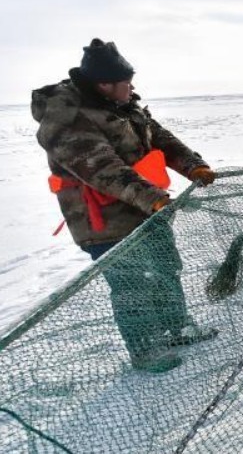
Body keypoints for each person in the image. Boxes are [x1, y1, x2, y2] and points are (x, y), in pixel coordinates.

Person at [31, 39, 218, 373]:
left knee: (165, 269)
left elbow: (158, 136)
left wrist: (192, 165)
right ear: (104, 84)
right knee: (134, 284)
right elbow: (102, 168)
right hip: (104, 220)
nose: (131, 88)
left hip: (146, 209)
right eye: (125, 82)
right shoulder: (68, 117)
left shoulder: (122, 103)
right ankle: (145, 350)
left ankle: (178, 329)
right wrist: (153, 198)